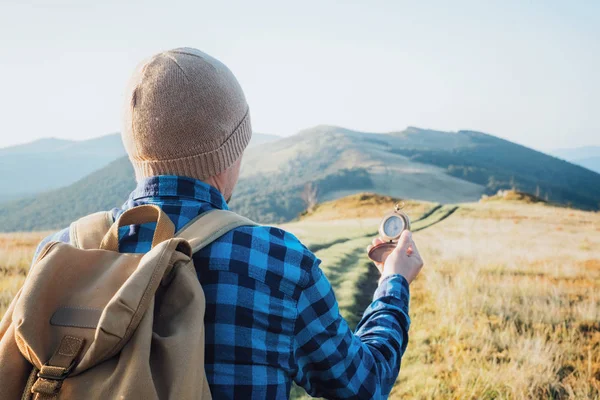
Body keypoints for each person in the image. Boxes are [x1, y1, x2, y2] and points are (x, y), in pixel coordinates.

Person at [33, 47, 424, 399]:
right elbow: (364, 383)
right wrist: (394, 280)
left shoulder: (61, 252)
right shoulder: (279, 262)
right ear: (231, 150)